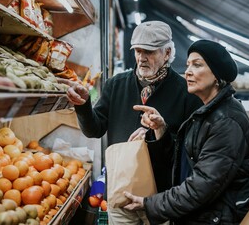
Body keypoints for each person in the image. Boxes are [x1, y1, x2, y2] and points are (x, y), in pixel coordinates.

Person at [62, 21, 202, 224]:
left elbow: (189, 152)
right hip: (121, 192)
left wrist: (161, 131)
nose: (142, 58)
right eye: (138, 50)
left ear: (167, 52)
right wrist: (84, 105)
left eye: (150, 51)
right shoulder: (116, 85)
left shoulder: (186, 93)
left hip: (161, 198)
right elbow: (94, 129)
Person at [123, 40, 249, 224]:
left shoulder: (226, 121)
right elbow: (188, 161)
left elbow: (202, 187)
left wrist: (149, 204)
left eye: (197, 65)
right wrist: (160, 129)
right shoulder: (206, 112)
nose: (188, 71)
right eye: (187, 65)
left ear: (217, 75)